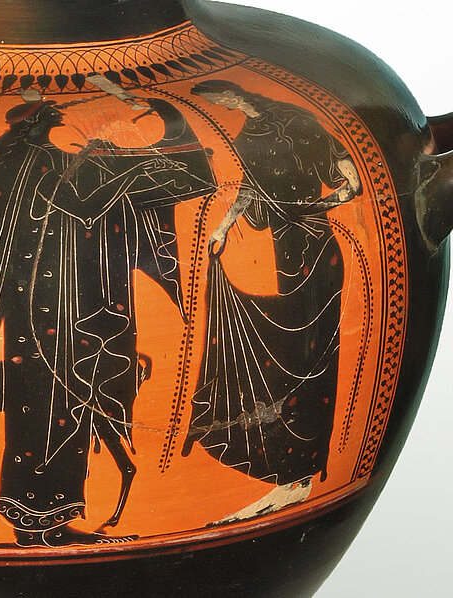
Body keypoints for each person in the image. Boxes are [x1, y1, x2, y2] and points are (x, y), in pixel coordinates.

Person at [0, 96, 215, 546]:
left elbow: (187, 179)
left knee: (61, 405)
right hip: (49, 309)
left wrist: (156, 125)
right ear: (38, 126)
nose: (60, 125)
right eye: (53, 120)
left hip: (63, 306)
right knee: (50, 406)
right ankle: (39, 520)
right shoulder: (38, 162)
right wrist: (125, 148)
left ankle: (44, 519)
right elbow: (84, 202)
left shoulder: (18, 158)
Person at [182, 80, 362, 523]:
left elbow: (353, 182)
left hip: (318, 251)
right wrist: (224, 226)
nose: (222, 105)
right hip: (286, 250)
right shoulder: (247, 135)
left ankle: (301, 475)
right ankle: (291, 473)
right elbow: (251, 187)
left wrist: (313, 209)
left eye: (221, 99)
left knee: (313, 355)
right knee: (291, 354)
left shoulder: (298, 119)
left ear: (234, 93)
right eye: (216, 104)